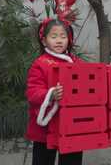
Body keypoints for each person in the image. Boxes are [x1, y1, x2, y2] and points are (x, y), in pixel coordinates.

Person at [25, 18, 84, 165]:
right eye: (54, 36)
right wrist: (50, 94)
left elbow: (89, 79)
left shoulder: (75, 62)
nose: (59, 40)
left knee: (72, 160)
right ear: (44, 41)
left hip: (71, 124)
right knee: (43, 160)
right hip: (46, 128)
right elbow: (32, 93)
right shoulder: (40, 64)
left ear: (69, 40)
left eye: (63, 37)